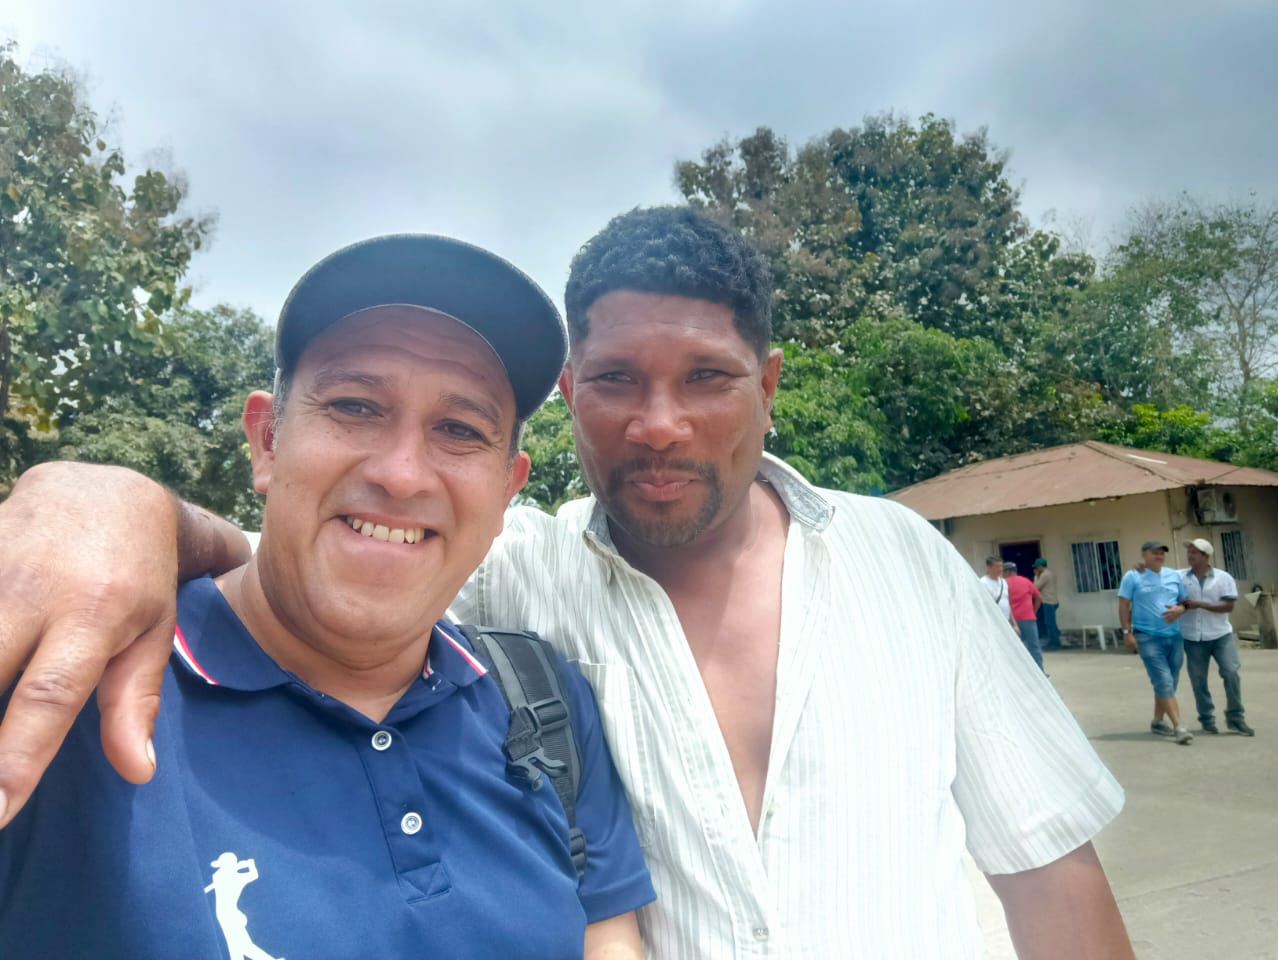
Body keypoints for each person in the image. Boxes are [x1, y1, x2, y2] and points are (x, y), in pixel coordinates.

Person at [0, 207, 1135, 958]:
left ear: (770, 384)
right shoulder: (512, 567)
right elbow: (318, 557)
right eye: (616, 378)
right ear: (568, 400)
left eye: (707, 377)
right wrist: (110, 503)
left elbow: (1049, 871)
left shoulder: (903, 561)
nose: (659, 423)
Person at [0, 235, 654, 958]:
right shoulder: (64, 683)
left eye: (459, 429)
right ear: (266, 442)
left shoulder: (542, 705)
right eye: (355, 406)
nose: (402, 474)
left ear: (507, 489)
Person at [1118, 540, 1191, 745]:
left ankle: (1158, 722)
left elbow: (1185, 601)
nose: (1159, 556)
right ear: (1144, 554)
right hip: (1147, 637)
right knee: (1163, 681)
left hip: (1174, 636)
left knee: (1170, 681)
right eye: (1154, 553)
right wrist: (1126, 632)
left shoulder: (1173, 575)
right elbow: (1123, 605)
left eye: (1161, 553)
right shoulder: (1133, 576)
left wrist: (1180, 609)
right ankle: (1179, 727)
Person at [1179, 538, 1254, 737]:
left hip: (1221, 635)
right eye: (1189, 552)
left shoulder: (1223, 578)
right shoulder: (1180, 577)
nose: (1190, 555)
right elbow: (1159, 579)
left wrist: (1199, 604)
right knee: (1198, 680)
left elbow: (1228, 606)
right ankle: (1207, 719)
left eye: (1194, 552)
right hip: (1193, 637)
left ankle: (1236, 718)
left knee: (1231, 673)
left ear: (1205, 556)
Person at [1004, 561, 1044, 672]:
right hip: (1028, 618)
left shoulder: (1003, 584)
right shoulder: (1026, 581)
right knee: (1034, 646)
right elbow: (1039, 597)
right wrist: (1033, 611)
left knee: (1013, 647)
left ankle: (1018, 673)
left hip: (1011, 620)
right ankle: (1040, 672)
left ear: (1007, 572)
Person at [979, 556, 1018, 635]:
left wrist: (1014, 624)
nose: (1000, 569)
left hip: (1006, 622)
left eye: (1001, 567)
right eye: (997, 567)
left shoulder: (1003, 582)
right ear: (989, 568)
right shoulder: (983, 582)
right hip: (993, 623)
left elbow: (1007, 604)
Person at [1034, 558, 1061, 649]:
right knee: (1050, 622)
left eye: (1037, 567)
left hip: (1048, 601)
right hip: (1052, 600)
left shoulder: (1044, 575)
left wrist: (1036, 576)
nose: (1036, 569)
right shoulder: (1050, 573)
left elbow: (1035, 587)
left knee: (1050, 623)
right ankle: (1054, 639)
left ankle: (1054, 642)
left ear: (1040, 567)